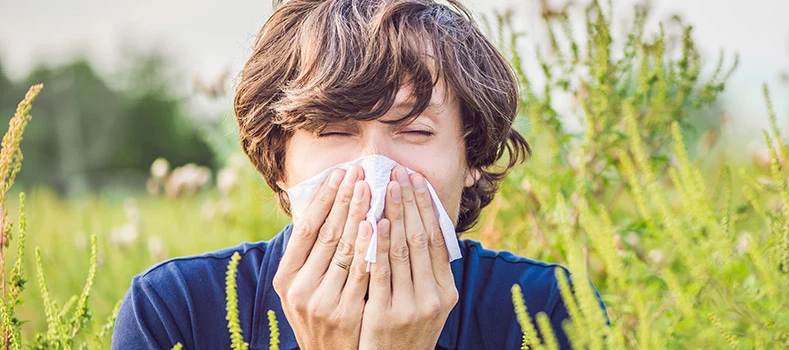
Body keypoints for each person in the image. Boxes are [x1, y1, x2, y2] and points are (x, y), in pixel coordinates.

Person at [112, 0, 603, 348]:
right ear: (279, 161)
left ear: (471, 157)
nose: (374, 172)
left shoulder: (550, 313)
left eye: (413, 130)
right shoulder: (175, 312)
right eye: (333, 132)